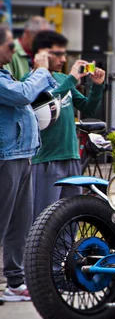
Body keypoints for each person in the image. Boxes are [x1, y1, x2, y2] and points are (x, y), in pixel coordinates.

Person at [0, 24, 58, 302]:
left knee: (19, 224)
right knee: (2, 222)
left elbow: (32, 93)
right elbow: (22, 94)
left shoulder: (6, 74)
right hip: (6, 157)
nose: (14, 50)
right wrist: (41, 71)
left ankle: (14, 282)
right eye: (10, 46)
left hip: (22, 155)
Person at [26, 30, 106, 222]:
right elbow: (43, 103)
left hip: (71, 156)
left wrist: (97, 86)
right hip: (46, 159)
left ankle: (67, 253)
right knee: (45, 220)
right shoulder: (30, 82)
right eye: (58, 54)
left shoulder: (63, 79)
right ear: (40, 54)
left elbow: (88, 108)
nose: (63, 59)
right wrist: (71, 79)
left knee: (71, 217)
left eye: (64, 54)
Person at [3, 16, 50, 80]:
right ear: (27, 33)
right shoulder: (9, 51)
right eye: (40, 37)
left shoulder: (41, 52)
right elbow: (9, 85)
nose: (43, 41)